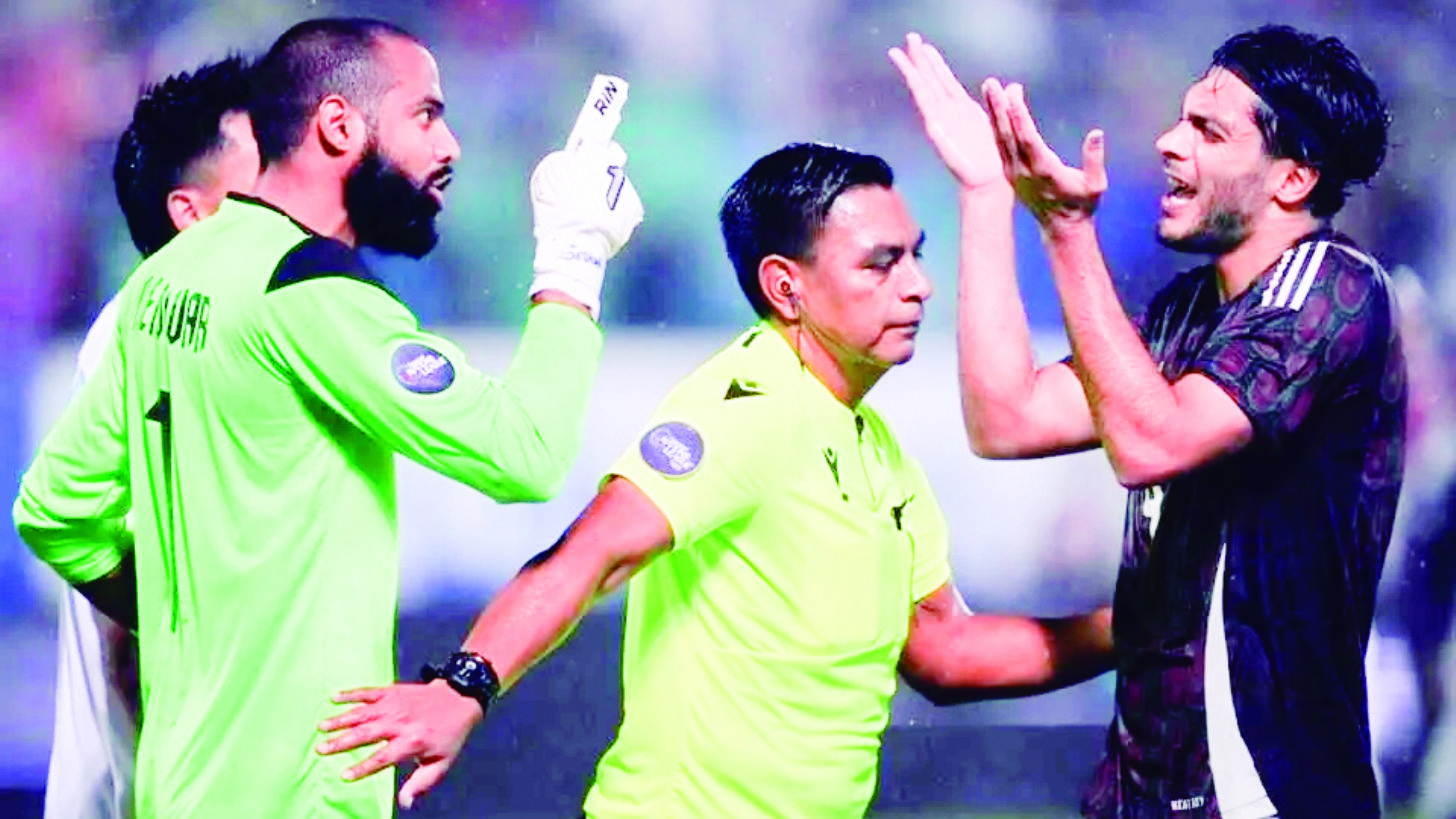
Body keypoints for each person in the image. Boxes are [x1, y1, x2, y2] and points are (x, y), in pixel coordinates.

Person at [313, 142, 1117, 817]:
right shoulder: (749, 406)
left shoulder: (880, 451)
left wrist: (1142, 626)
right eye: (881, 263)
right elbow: (591, 552)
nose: (918, 284)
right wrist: (464, 685)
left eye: (915, 255)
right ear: (786, 286)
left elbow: (945, 650)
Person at [14, 16, 641, 818]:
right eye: (425, 114)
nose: (449, 145)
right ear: (339, 125)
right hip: (294, 790)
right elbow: (526, 451)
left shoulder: (165, 279)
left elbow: (53, 509)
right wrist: (573, 257)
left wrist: (191, 629)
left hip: (181, 785)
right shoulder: (312, 294)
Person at [892, 23, 1404, 819]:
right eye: (1180, 118)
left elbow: (1150, 443)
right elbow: (1006, 417)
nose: (1168, 142)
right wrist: (988, 193)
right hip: (1142, 791)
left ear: (1293, 178)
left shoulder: (1332, 290)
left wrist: (1066, 230)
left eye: (1208, 130)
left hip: (1262, 794)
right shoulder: (1189, 308)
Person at [44, 55, 260, 819]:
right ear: (191, 212)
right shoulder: (157, 337)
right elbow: (136, 619)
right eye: (260, 172)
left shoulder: (198, 327)